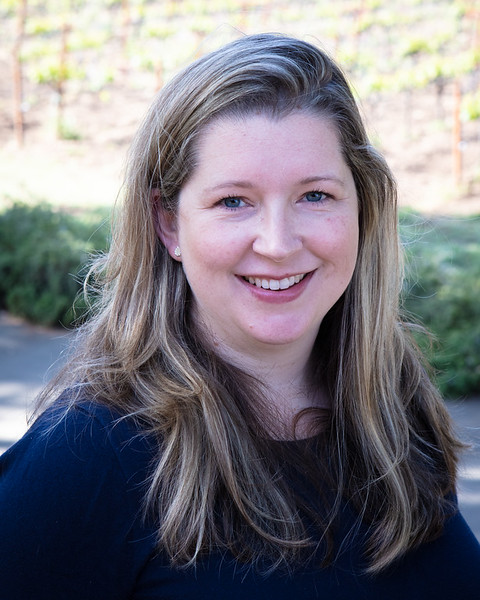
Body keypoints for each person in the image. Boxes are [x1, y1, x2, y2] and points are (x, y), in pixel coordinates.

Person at [1, 33, 479, 599]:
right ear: (169, 224)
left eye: (315, 196)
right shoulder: (90, 457)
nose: (277, 244)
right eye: (234, 201)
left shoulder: (393, 411)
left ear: (363, 207)